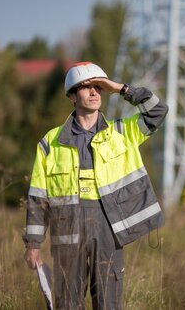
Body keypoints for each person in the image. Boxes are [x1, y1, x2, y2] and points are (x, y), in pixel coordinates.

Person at [23, 61, 168, 309]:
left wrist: (119, 89)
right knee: (67, 304)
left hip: (108, 228)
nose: (93, 93)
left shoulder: (123, 132)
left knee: (108, 304)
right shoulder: (51, 142)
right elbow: (38, 198)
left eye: (98, 88)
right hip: (67, 231)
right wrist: (33, 245)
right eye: (86, 87)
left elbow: (158, 110)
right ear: (71, 96)